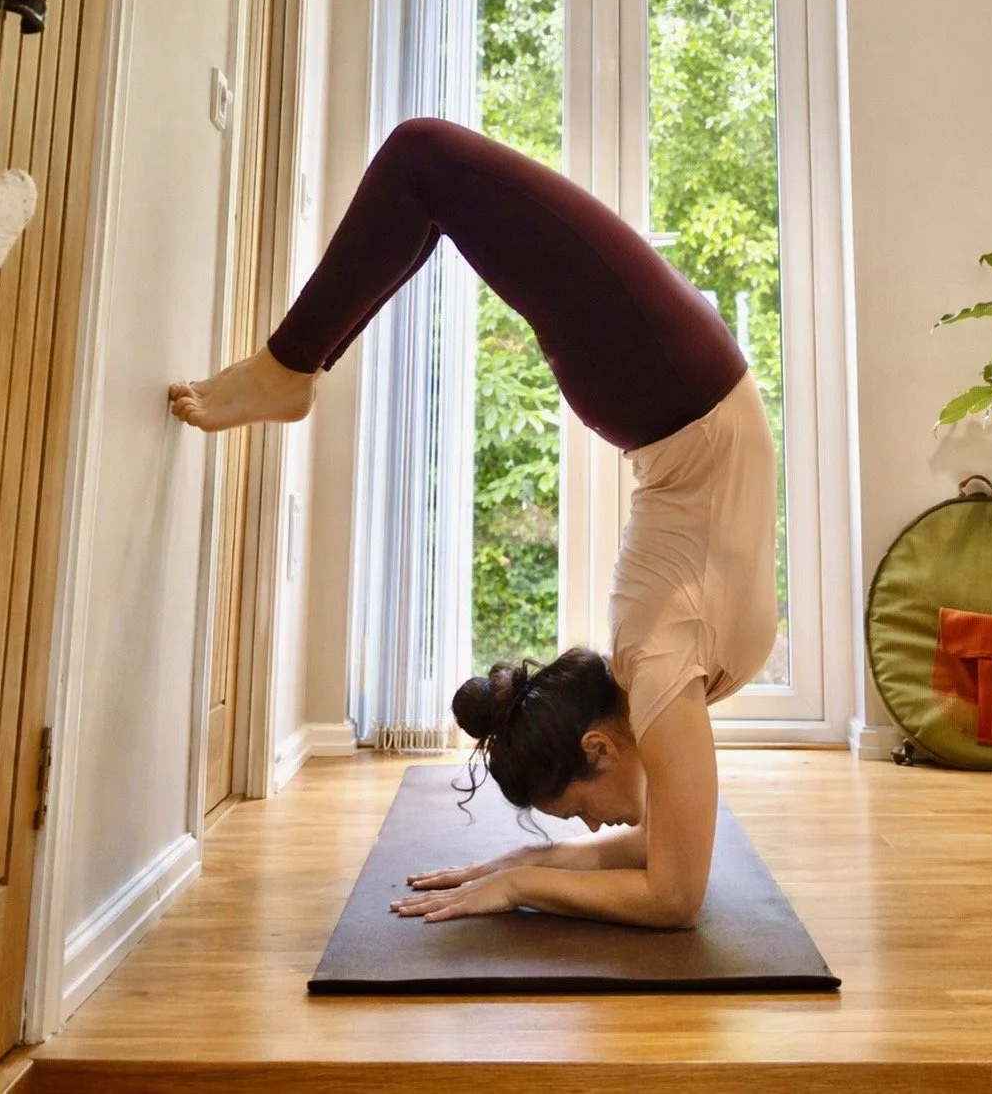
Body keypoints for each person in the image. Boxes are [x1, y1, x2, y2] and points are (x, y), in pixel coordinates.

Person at [169, 117, 778, 930]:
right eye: (579, 818)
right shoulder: (661, 681)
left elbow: (666, 886)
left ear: (598, 747)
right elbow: (665, 879)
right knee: (424, 172)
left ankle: (289, 371)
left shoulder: (657, 681)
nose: (598, 826)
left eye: (577, 816)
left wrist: (521, 875)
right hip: (668, 386)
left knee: (425, 165)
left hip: (666, 387)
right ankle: (290, 369)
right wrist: (525, 866)